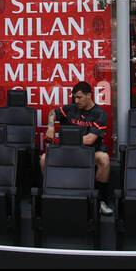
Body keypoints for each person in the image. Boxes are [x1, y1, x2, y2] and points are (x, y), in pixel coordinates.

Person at [42, 81, 114, 215]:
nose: (76, 100)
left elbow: (90, 139)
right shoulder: (71, 108)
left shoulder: (100, 114)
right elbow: (52, 113)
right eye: (74, 97)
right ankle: (47, 195)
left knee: (104, 159)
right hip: (67, 152)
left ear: (89, 95)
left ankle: (100, 201)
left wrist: (62, 140)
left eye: (79, 97)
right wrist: (51, 125)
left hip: (88, 153)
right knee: (43, 159)